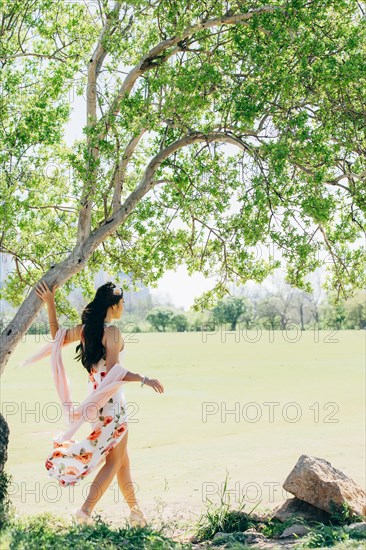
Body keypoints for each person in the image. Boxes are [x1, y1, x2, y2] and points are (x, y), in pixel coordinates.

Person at [35, 279, 164, 527]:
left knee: (123, 459)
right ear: (113, 305)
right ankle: (85, 512)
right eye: (122, 302)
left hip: (96, 405)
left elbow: (56, 336)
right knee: (114, 461)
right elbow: (115, 372)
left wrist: (50, 304)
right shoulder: (113, 333)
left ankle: (136, 513)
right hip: (113, 406)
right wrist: (144, 379)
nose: (124, 306)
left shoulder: (87, 330)